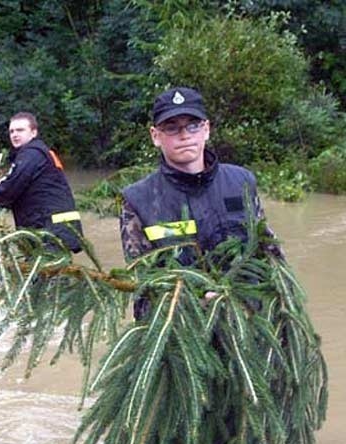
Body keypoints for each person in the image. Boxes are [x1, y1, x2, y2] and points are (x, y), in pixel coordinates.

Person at [119, 86, 280, 318]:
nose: (184, 135)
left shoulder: (242, 181)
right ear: (155, 136)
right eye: (172, 128)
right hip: (183, 332)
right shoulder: (137, 200)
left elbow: (269, 253)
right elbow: (143, 283)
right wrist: (196, 301)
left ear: (206, 129)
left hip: (248, 325)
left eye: (192, 125)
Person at [0, 112, 83, 253]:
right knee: (45, 271)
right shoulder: (35, 153)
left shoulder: (32, 153)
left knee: (48, 272)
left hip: (50, 229)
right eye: (11, 131)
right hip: (53, 226)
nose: (15, 134)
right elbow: (13, 180)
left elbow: (12, 187)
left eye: (20, 130)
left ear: (33, 132)